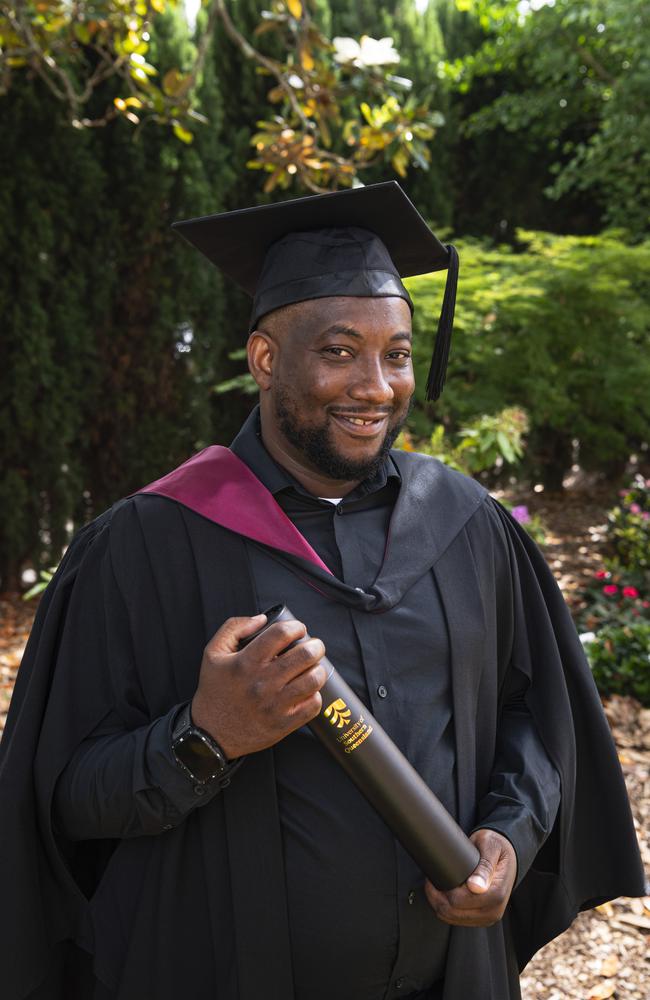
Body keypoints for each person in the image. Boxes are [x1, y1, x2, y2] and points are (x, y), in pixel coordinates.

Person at [0, 182, 644, 1000]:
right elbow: (57, 802)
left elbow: (536, 721)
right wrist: (206, 737)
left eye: (398, 353)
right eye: (339, 351)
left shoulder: (467, 527)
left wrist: (505, 837)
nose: (376, 385)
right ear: (266, 359)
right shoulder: (143, 546)